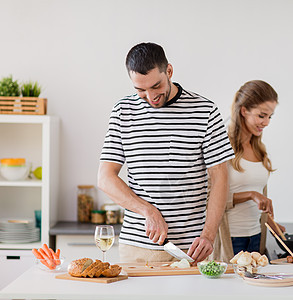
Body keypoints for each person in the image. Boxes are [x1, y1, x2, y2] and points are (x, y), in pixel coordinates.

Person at [97, 42, 234, 264]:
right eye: (140, 90)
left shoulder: (205, 111)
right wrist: (148, 211)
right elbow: (105, 178)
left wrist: (208, 235)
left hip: (192, 249)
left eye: (156, 86)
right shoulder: (123, 111)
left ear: (169, 71)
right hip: (137, 248)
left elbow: (220, 178)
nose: (150, 96)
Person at [211, 80, 285, 262]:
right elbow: (207, 199)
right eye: (262, 115)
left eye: (270, 117)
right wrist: (251, 194)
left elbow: (260, 199)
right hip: (230, 239)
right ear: (244, 111)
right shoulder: (220, 146)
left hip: (257, 239)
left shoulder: (259, 149)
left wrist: (271, 225)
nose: (266, 122)